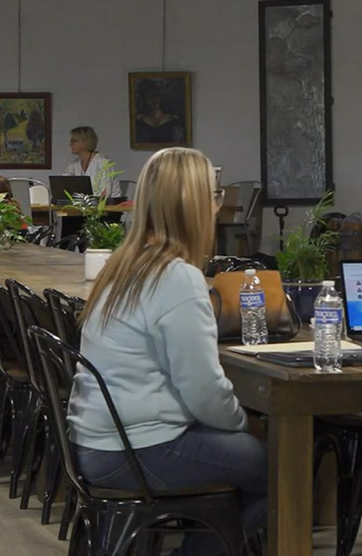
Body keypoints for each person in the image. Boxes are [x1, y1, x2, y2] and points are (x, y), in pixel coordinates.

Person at [67, 147, 264, 556]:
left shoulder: (125, 263)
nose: (217, 205)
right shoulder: (177, 278)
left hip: (96, 441)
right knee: (283, 466)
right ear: (194, 204)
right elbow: (204, 391)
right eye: (214, 194)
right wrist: (242, 422)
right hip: (136, 450)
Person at [63, 126, 121, 197]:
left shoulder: (103, 162)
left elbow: (104, 193)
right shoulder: (74, 165)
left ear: (85, 142)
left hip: (107, 206)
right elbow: (63, 184)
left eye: (74, 141)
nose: (70, 144)